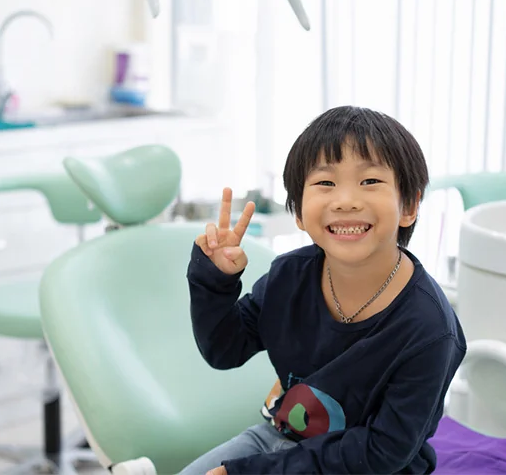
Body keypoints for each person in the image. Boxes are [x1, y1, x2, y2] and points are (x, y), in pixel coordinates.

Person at [183, 106, 466, 474]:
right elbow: (224, 349)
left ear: (409, 205)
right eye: (325, 183)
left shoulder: (429, 328)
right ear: (299, 212)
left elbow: (383, 451)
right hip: (281, 441)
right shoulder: (290, 275)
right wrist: (214, 279)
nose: (345, 200)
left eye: (370, 182)